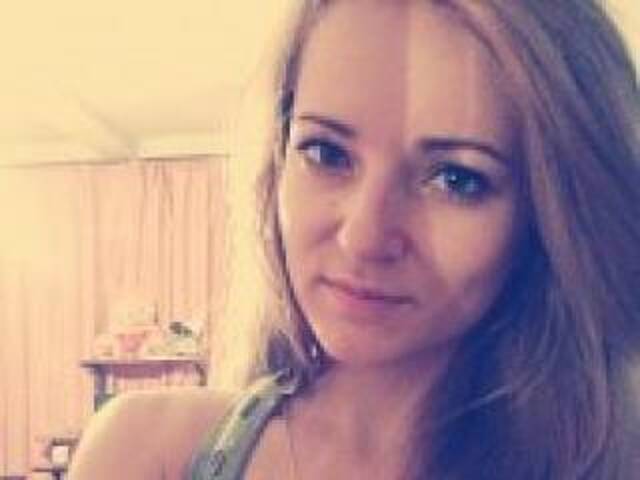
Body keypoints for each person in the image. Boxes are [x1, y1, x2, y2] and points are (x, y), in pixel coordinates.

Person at [68, 0, 640, 479]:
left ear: (552, 216)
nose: (363, 237)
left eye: (456, 179)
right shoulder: (150, 452)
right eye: (326, 152)